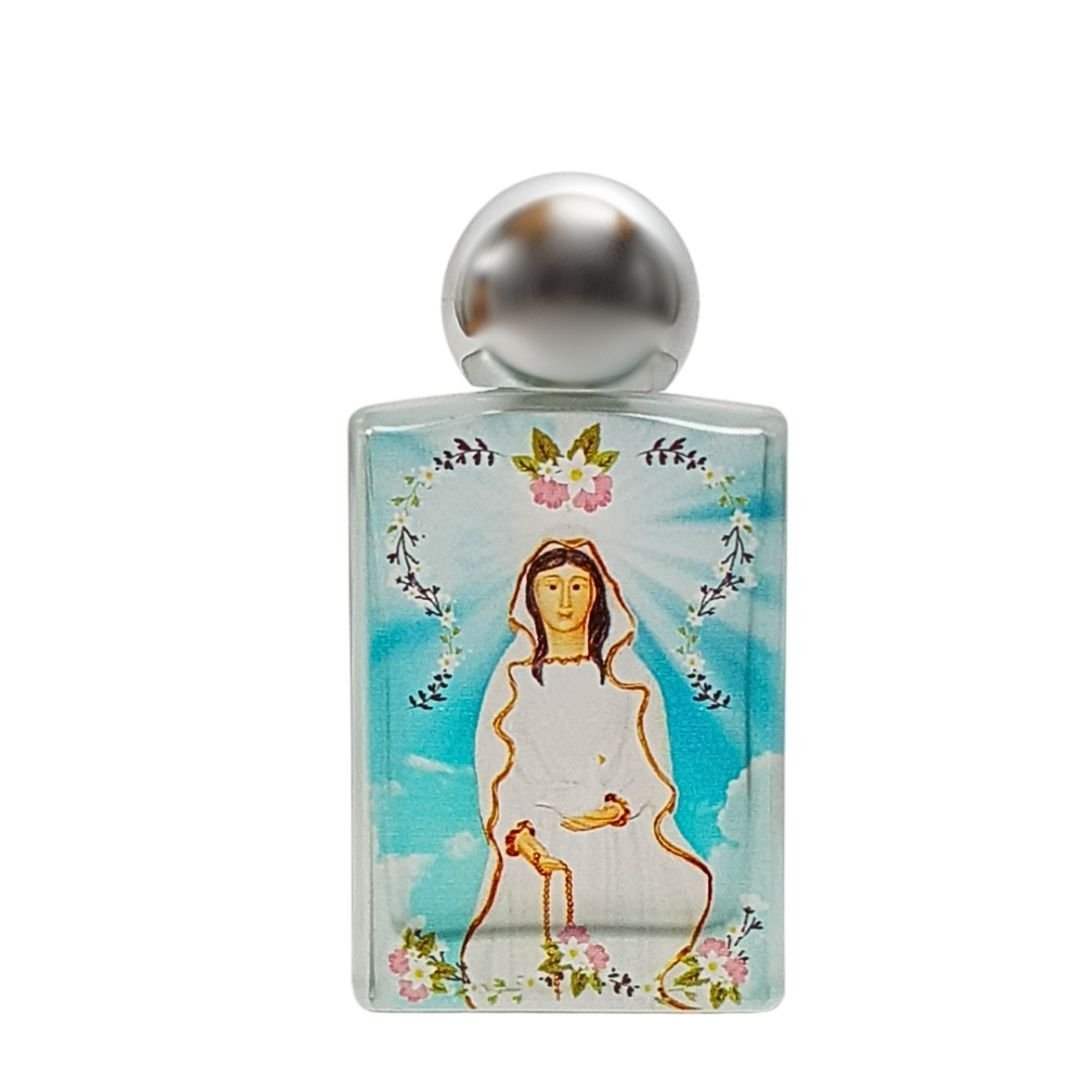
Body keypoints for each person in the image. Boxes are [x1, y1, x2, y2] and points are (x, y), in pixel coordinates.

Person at [460, 538, 713, 1008]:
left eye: (577, 586)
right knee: (535, 973)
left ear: (597, 595)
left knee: (619, 963)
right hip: (540, 839)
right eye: (551, 586)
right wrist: (523, 839)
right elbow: (498, 770)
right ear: (532, 597)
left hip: (615, 841)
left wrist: (617, 809)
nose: (564, 600)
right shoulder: (514, 680)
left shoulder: (627, 681)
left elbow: (648, 765)